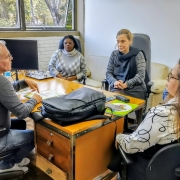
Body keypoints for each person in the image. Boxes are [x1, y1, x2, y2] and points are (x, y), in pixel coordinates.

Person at [108, 60, 180, 180]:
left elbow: (131, 145)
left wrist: (119, 137)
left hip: (148, 170)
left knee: (121, 140)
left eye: (171, 76)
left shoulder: (162, 114)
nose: (168, 79)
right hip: (171, 170)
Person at [0, 40, 42, 174]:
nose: (11, 58)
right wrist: (34, 99)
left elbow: (6, 91)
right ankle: (8, 164)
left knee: (21, 124)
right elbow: (22, 112)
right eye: (8, 56)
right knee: (35, 136)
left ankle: (13, 155)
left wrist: (23, 82)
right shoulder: (1, 82)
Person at [106, 29, 146, 100]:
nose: (119, 45)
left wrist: (126, 84)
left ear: (130, 41)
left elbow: (141, 75)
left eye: (123, 41)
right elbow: (108, 73)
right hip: (117, 87)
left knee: (119, 99)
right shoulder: (114, 54)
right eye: (118, 41)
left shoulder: (138, 54)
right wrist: (115, 82)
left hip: (135, 88)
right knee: (116, 98)